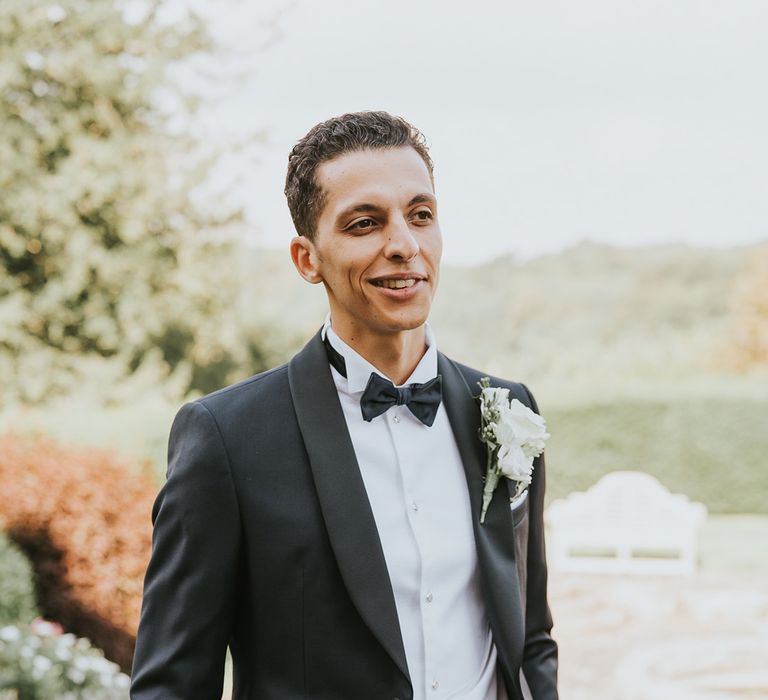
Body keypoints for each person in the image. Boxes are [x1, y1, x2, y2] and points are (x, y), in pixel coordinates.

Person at [131, 111, 558, 700]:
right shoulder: (226, 439)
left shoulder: (508, 413)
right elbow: (172, 685)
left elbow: (530, 636)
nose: (404, 245)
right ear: (308, 259)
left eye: (421, 215)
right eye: (364, 223)